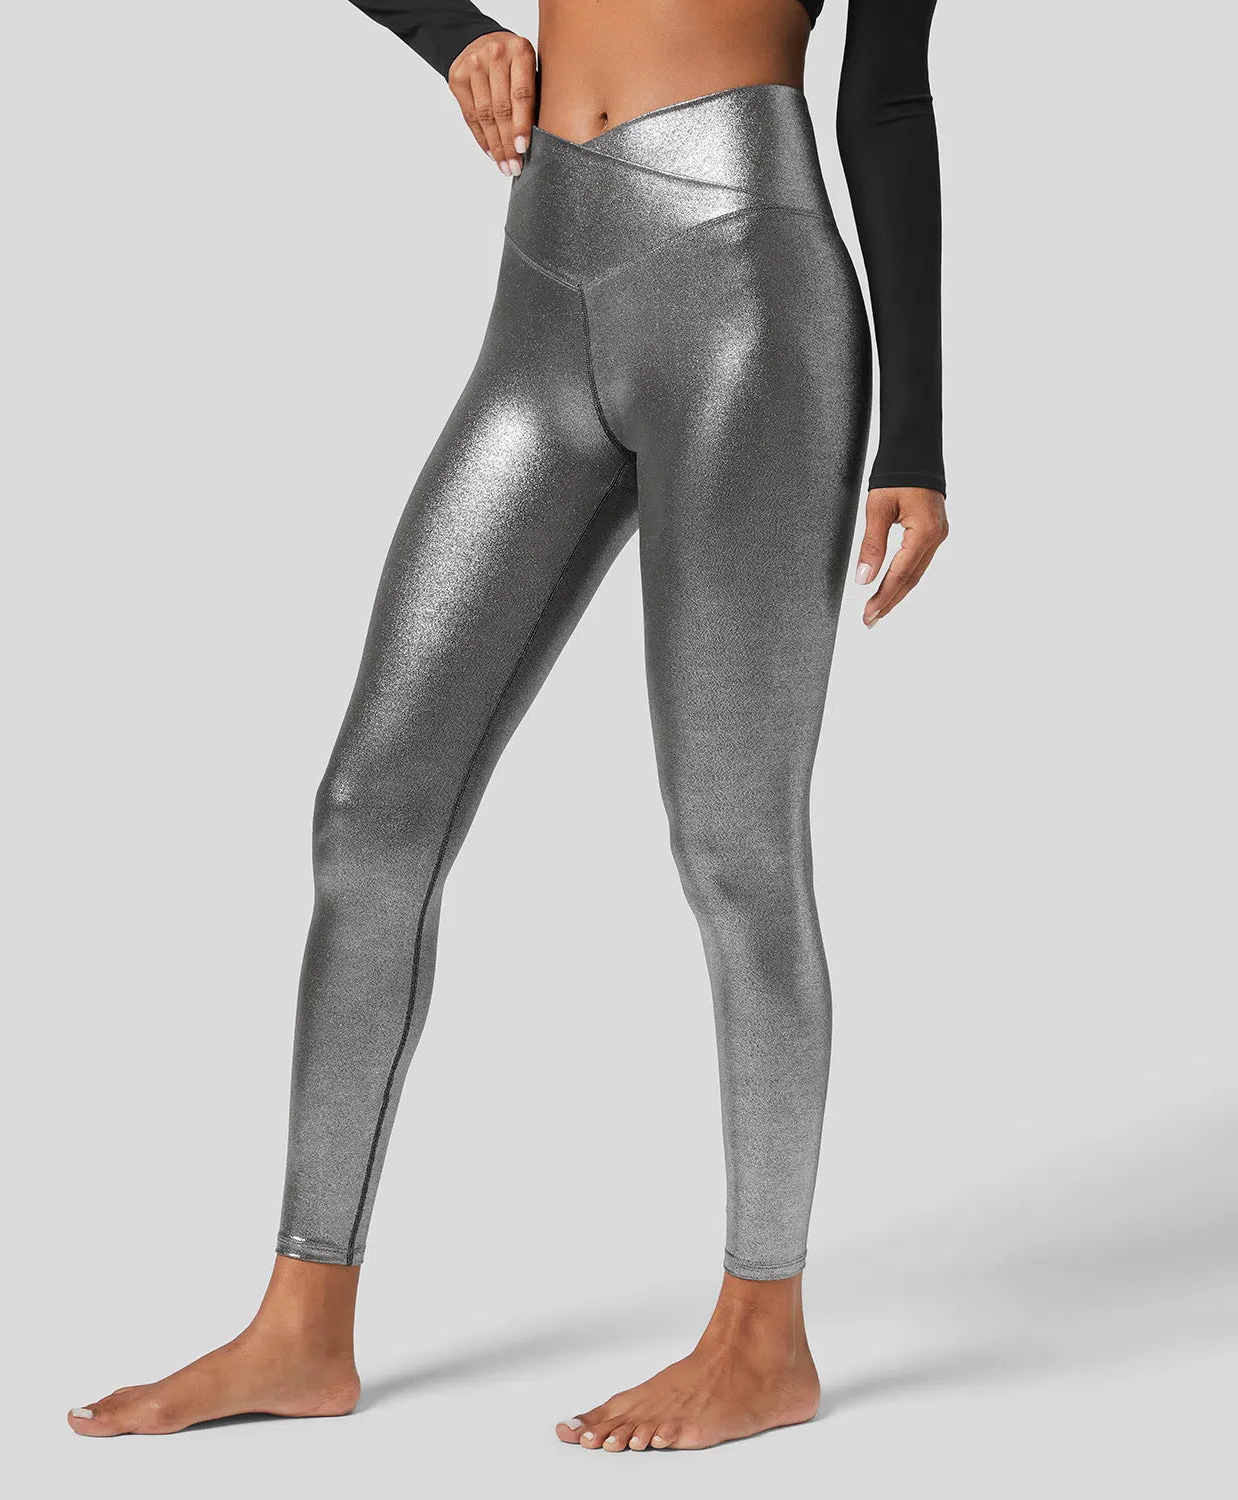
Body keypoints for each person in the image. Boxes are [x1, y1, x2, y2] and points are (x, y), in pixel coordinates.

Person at [68, 0, 948, 1450]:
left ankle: (763, 1335)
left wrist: (914, 435)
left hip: (749, 287)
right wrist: (448, 34)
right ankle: (302, 1324)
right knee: (370, 816)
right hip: (544, 280)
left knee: (734, 848)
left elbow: (888, 101)